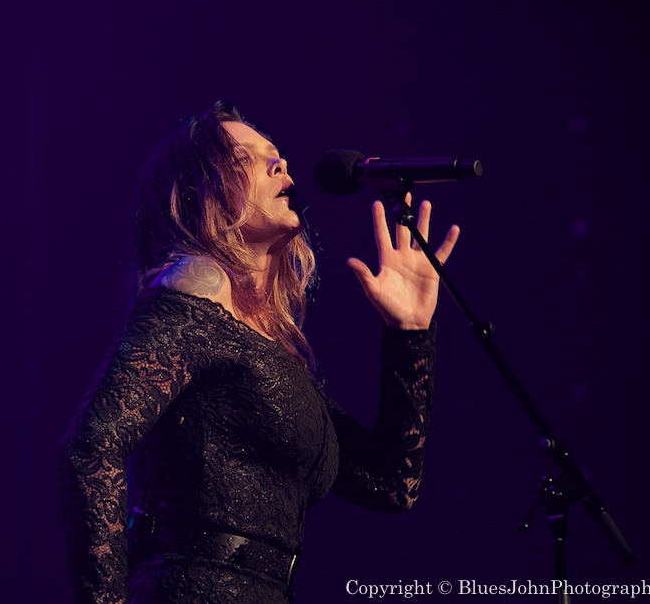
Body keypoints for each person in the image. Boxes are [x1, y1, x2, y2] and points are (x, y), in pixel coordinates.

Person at [59, 101, 460, 603]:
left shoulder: (269, 346)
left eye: (276, 153)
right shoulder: (196, 285)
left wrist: (410, 333)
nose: (279, 163)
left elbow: (392, 483)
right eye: (244, 158)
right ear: (197, 194)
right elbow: (91, 444)